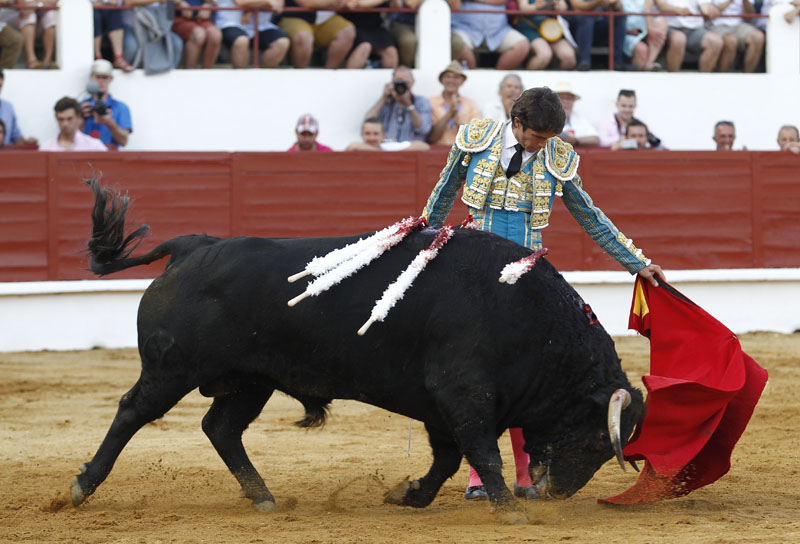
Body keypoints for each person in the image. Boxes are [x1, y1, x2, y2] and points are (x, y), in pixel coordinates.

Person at [420, 86, 665, 501]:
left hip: (525, 280)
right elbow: (442, 196)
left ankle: (523, 473)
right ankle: (480, 474)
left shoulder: (557, 157)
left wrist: (635, 261)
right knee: (475, 376)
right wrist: (420, 248)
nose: (543, 146)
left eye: (550, 138)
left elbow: (589, 213)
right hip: (471, 274)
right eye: (537, 137)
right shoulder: (476, 139)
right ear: (516, 123)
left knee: (524, 379)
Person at [277, 0, 368, 69]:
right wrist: (332, 2)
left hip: (326, 19)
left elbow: (347, 2)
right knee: (304, 37)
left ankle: (329, 74)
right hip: (294, 16)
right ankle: (300, 74)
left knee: (347, 31)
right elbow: (305, 2)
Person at [451, 0, 529, 70]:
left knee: (522, 45)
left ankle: (498, 80)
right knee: (458, 43)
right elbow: (455, 7)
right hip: (465, 28)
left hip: (499, 30)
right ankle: (472, 77)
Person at [363, 65, 432, 144]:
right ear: (392, 83)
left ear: (413, 82)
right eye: (399, 82)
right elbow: (368, 121)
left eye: (406, 83)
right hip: (387, 147)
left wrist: (408, 105)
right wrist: (384, 97)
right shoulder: (386, 102)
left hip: (412, 149)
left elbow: (424, 129)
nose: (402, 86)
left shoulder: (421, 101)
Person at [388, 0, 464, 68]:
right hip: (405, 23)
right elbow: (410, 4)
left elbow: (456, 7)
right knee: (408, 41)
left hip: (437, 25)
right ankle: (406, 71)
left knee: (457, 42)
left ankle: (450, 72)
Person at [216, 0, 290, 68]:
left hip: (260, 26)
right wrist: (267, 1)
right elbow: (241, 2)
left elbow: (278, 5)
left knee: (282, 42)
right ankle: (240, 80)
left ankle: (262, 79)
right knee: (241, 41)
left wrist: (250, 8)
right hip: (231, 23)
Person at [655, 0, 724, 72]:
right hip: (669, 27)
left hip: (695, 29)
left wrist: (711, 10)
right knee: (679, 39)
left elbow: (705, 6)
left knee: (715, 42)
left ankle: (703, 79)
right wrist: (679, 10)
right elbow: (662, 5)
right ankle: (673, 78)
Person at [81, 59, 133, 149]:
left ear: (111, 79)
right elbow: (70, 139)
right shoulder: (82, 106)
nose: (101, 81)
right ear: (91, 77)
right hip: (84, 154)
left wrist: (109, 122)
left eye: (104, 77)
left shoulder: (121, 107)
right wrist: (80, 119)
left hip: (110, 156)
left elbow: (124, 141)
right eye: (98, 77)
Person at [427, 60, 481, 147]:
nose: (451, 80)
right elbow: (431, 138)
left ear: (462, 81)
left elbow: (474, 137)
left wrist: (457, 120)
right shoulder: (431, 102)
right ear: (442, 80)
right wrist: (449, 113)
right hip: (437, 151)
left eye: (456, 77)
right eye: (447, 76)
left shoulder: (471, 104)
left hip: (463, 153)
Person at [565, 0, 627, 71]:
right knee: (586, 18)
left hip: (600, 28)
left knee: (620, 15)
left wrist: (613, 4)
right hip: (579, 30)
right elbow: (578, 6)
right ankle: (584, 61)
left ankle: (617, 63)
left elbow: (619, 6)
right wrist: (598, 2)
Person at [515, 0, 577, 70]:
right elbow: (523, 8)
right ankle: (529, 80)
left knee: (568, 56)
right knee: (544, 55)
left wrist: (559, 6)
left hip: (552, 29)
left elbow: (564, 8)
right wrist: (536, 6)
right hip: (531, 29)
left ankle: (561, 80)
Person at [708, 0, 764, 73]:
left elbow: (750, 16)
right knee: (731, 40)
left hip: (738, 24)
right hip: (715, 24)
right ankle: (722, 78)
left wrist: (745, 1)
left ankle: (748, 78)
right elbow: (709, 12)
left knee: (758, 37)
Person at [0, 0, 57, 69]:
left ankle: (47, 61)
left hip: (35, 14)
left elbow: (53, 1)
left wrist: (37, 4)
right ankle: (31, 60)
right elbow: (21, 2)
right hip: (11, 16)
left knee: (50, 15)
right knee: (28, 14)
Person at [342, 0, 399, 68]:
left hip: (375, 26)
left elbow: (397, 6)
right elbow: (356, 4)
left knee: (391, 51)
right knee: (365, 47)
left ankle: (390, 78)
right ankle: (349, 77)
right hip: (353, 25)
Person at [39, 97, 108, 152]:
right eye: (61, 119)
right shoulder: (46, 147)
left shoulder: (94, 146)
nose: (65, 124)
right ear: (56, 118)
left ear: (78, 117)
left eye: (69, 119)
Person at [172, 0, 223, 69]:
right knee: (198, 35)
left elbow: (215, 1)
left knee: (215, 34)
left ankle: (206, 74)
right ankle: (189, 73)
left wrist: (209, 4)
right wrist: (180, 2)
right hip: (177, 17)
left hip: (202, 18)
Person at [621, 0, 666, 71]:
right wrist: (628, 32)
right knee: (642, 49)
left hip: (645, 32)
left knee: (661, 21)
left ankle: (649, 63)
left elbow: (649, 9)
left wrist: (650, 28)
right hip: (626, 33)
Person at [553, 81, 599, 148]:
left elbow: (595, 139)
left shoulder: (579, 120)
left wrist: (575, 141)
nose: (566, 102)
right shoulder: (545, 118)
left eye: (569, 99)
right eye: (562, 98)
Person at [92, 0, 134, 72]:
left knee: (113, 11)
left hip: (108, 11)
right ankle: (97, 57)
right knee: (96, 17)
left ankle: (118, 57)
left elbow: (115, 2)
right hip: (90, 11)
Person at [0, 69, 37, 147]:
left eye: (0, 86)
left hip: (5, 156)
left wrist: (28, 143)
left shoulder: (8, 107)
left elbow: (16, 136)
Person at [346, 117, 430, 150]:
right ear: (362, 136)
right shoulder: (358, 147)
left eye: (376, 134)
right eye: (367, 133)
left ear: (383, 136)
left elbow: (423, 146)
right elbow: (353, 146)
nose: (371, 138)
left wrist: (393, 156)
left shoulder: (388, 147)